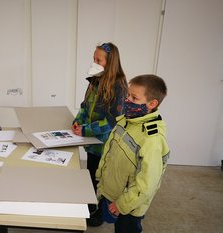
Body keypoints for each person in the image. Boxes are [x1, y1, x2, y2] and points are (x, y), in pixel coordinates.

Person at [95, 74, 170, 233]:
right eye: (127, 95)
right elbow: (109, 153)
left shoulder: (151, 139)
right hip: (114, 192)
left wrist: (122, 205)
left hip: (130, 205)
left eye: (134, 98)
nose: (127, 100)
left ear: (152, 104)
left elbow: (147, 184)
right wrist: (101, 180)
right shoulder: (126, 120)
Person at [71, 42, 128, 225]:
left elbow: (113, 120)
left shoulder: (119, 85)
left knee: (104, 178)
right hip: (91, 141)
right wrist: (78, 120)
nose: (94, 62)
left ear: (110, 62)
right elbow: (85, 105)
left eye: (98, 59)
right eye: (93, 58)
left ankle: (100, 214)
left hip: (106, 143)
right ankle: (90, 204)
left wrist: (87, 129)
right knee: (90, 174)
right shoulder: (95, 79)